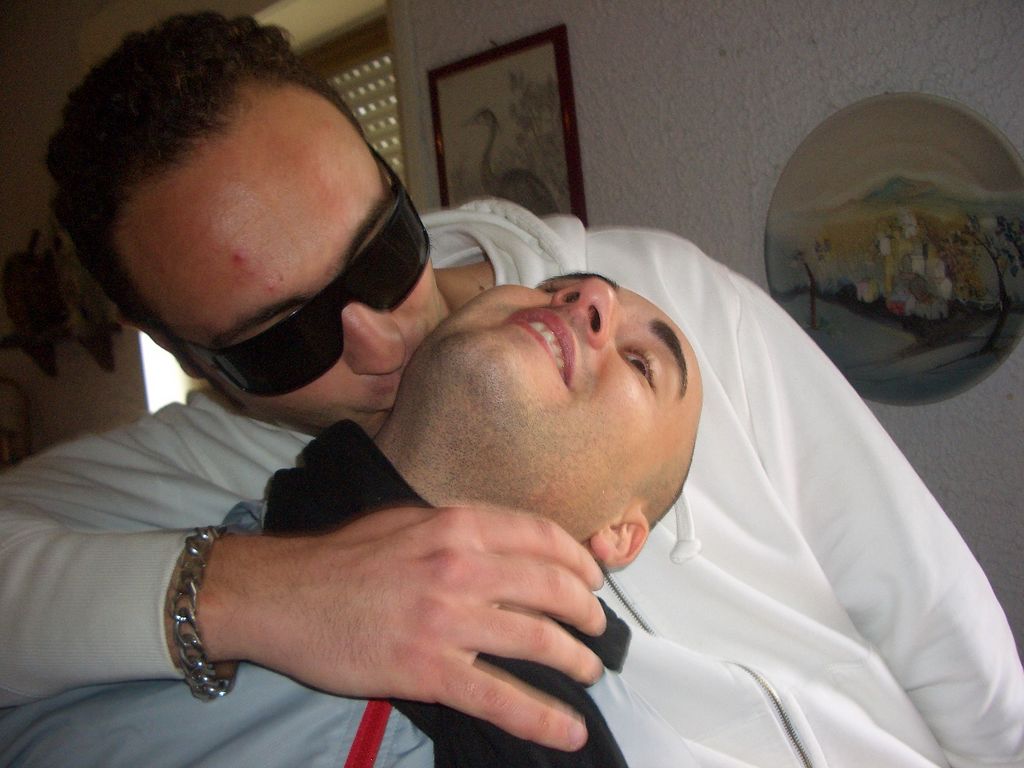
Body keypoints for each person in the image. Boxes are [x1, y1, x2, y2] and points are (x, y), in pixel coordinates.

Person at [1, 11, 1021, 766]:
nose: (383, 337)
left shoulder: (649, 298)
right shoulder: (206, 474)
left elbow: (925, 606)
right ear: (190, 356)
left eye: (380, 250)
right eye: (283, 339)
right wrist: (252, 594)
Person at [0, 274, 708, 767]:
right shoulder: (151, 504)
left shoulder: (617, 747)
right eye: (559, 286)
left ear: (620, 534)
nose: (588, 297)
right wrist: (249, 592)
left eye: (642, 365)